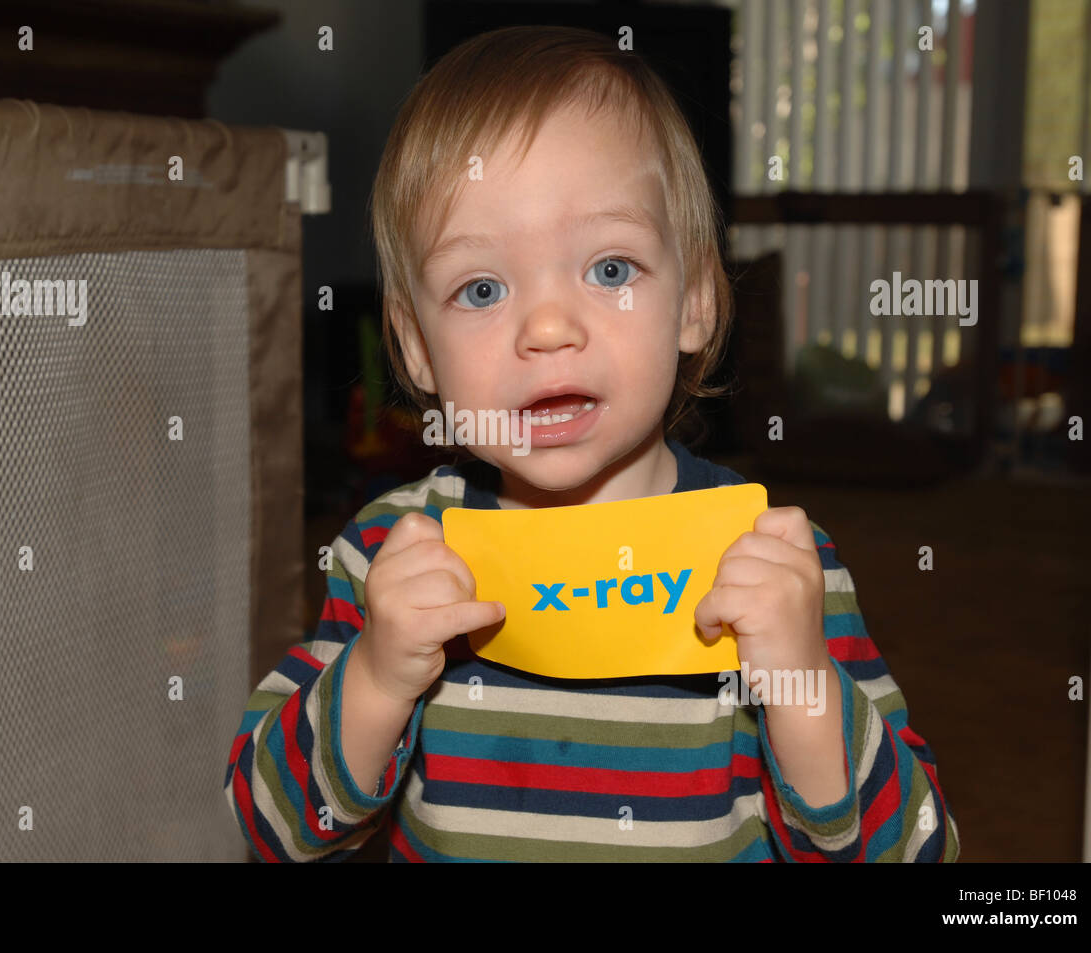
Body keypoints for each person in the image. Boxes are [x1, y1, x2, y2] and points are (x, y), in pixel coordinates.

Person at [224, 24, 959, 862]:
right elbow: (268, 825)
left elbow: (919, 849)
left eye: (610, 269)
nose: (546, 327)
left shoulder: (771, 562)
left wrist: (800, 690)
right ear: (417, 347)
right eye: (482, 286)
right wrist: (379, 677)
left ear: (696, 303)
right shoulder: (391, 554)